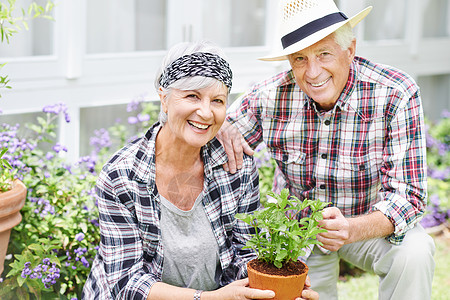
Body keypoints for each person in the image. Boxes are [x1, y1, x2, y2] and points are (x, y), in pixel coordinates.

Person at [219, 0, 435, 299]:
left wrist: (351, 228)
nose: (312, 72)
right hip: (297, 234)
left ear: (350, 50)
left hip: (368, 224)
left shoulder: (395, 92)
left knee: (416, 251)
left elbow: (409, 196)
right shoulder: (270, 96)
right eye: (299, 59)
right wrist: (219, 125)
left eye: (324, 54)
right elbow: (213, 138)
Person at [82, 41, 318, 300]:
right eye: (192, 96)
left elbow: (245, 253)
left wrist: (277, 285)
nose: (205, 112)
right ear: (164, 98)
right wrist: (208, 298)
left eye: (217, 100)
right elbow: (127, 284)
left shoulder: (236, 166)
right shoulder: (121, 177)